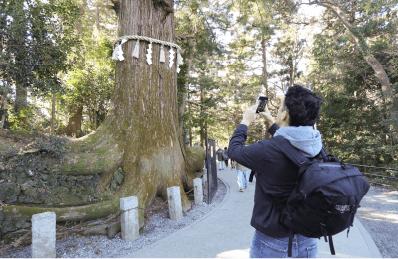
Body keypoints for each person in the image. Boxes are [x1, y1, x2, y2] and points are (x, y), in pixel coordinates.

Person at [228, 84, 323, 258]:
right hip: (308, 238)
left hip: (273, 242)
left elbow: (233, 151)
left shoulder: (267, 150)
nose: (279, 111)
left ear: (285, 114)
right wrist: (272, 121)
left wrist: (245, 121)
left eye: (280, 108)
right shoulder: (317, 147)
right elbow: (290, 145)